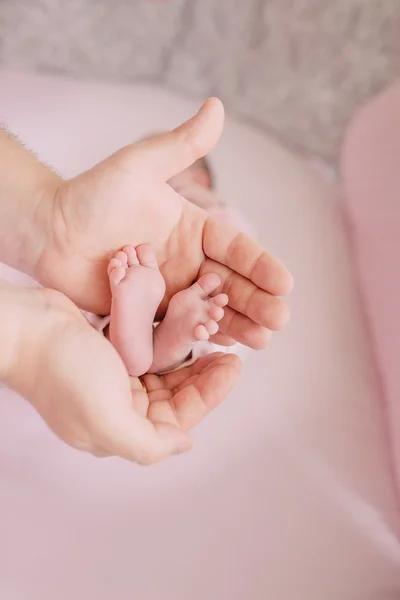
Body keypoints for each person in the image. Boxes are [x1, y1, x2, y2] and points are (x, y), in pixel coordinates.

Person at [0, 98, 293, 464]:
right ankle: (151, 336)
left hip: (211, 319)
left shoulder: (216, 213)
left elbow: (240, 258)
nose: (162, 190)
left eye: (171, 179)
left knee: (216, 318)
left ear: (202, 180)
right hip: (129, 302)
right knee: (96, 313)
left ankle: (161, 334)